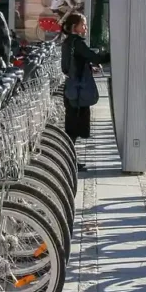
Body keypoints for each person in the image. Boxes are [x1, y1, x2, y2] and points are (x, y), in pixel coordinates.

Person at [62, 12, 110, 172]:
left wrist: (87, 66)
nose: (86, 27)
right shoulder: (78, 43)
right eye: (83, 24)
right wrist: (113, 54)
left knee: (72, 127)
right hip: (79, 92)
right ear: (75, 27)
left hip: (72, 89)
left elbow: (69, 65)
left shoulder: (68, 42)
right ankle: (69, 161)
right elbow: (94, 57)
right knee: (74, 128)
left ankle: (70, 160)